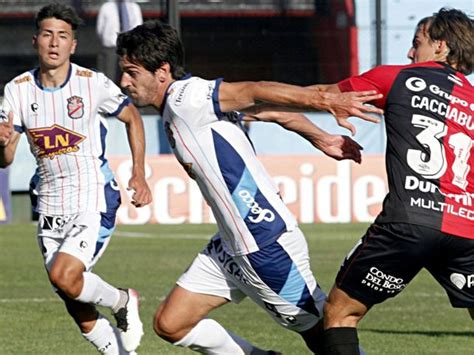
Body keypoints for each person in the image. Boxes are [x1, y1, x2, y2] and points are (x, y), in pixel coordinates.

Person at [115, 20, 383, 354]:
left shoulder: (187, 97)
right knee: (171, 324)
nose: (124, 81)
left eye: (131, 72)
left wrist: (324, 100)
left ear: (162, 71)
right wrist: (321, 137)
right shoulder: (184, 106)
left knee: (326, 335)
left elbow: (254, 91)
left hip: (263, 244)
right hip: (229, 245)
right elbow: (269, 111)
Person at [311, 8, 473, 354]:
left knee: (340, 313)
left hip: (409, 221)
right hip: (467, 228)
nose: (411, 53)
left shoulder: (400, 77)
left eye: (417, 43)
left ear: (441, 46)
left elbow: (323, 95)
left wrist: (251, 101)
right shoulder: (472, 101)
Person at [0, 4, 152, 354]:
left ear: (73, 44)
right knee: (72, 298)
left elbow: (133, 118)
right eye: (48, 34)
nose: (54, 43)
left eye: (63, 36)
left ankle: (122, 300)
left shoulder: (92, 84)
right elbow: (5, 160)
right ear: (35, 40)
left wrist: (139, 172)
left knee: (65, 277)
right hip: (50, 202)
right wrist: (4, 142)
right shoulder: (17, 90)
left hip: (92, 195)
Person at [97, 0, 143, 83]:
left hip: (129, 48)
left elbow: (139, 26)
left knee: (129, 76)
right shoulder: (106, 7)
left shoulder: (134, 7)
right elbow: (100, 29)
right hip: (111, 48)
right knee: (109, 76)